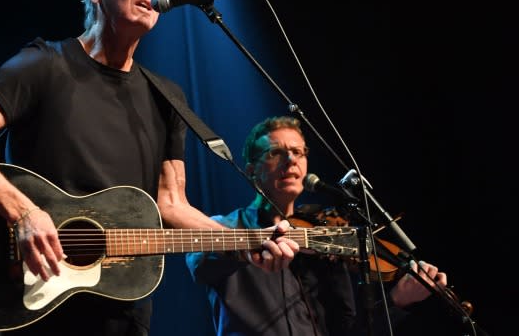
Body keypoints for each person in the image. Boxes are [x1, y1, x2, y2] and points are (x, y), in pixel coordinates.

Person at [0, 0, 296, 336]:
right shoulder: (45, 64)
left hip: (121, 311)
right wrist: (24, 212)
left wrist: (246, 240)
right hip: (29, 298)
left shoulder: (167, 97)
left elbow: (171, 206)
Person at [186, 116, 451, 336]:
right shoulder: (226, 226)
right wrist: (249, 247)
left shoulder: (325, 240)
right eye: (276, 152)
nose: (291, 160)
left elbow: (351, 332)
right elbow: (200, 262)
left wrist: (398, 300)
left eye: (298, 152)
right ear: (252, 170)